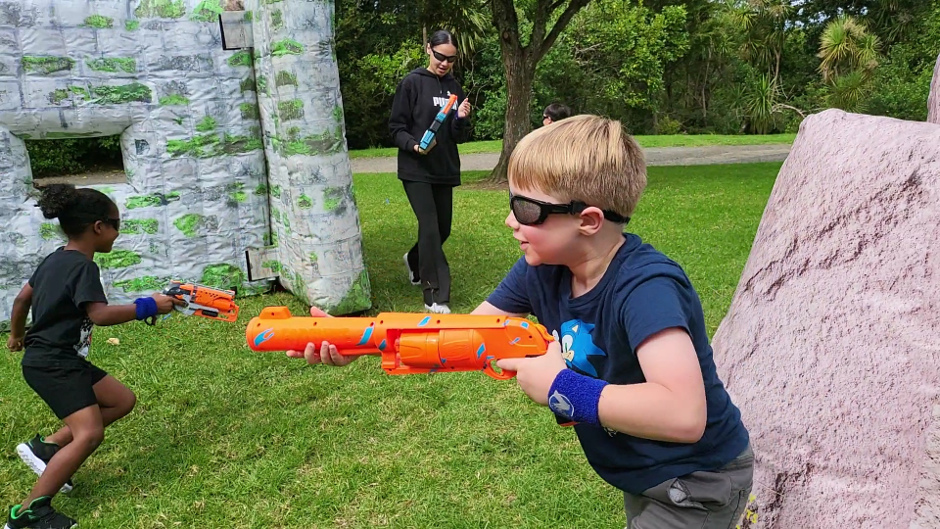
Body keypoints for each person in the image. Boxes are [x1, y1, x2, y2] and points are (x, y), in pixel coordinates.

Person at [288, 115, 753, 528]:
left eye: (526, 209)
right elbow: (465, 336)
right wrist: (357, 340)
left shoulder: (646, 287)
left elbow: (683, 414)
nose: (510, 220)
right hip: (643, 470)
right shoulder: (542, 267)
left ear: (588, 220)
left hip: (696, 481)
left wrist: (562, 386)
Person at [5, 184, 180, 529]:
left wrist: (16, 335)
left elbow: (21, 300)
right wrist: (148, 305)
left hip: (57, 359)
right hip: (53, 363)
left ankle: (48, 450)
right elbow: (99, 314)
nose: (118, 232)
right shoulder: (84, 268)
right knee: (89, 433)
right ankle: (28, 513)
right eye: (117, 224)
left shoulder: (55, 259)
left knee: (120, 400)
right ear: (99, 227)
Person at [389, 29, 472, 314]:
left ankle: (414, 260)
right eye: (440, 56)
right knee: (430, 227)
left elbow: (457, 136)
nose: (444, 63)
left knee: (442, 228)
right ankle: (435, 295)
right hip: (416, 169)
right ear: (428, 49)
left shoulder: (455, 88)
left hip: (444, 168)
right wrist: (413, 146)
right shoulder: (412, 83)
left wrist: (460, 119)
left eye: (450, 59)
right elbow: (395, 128)